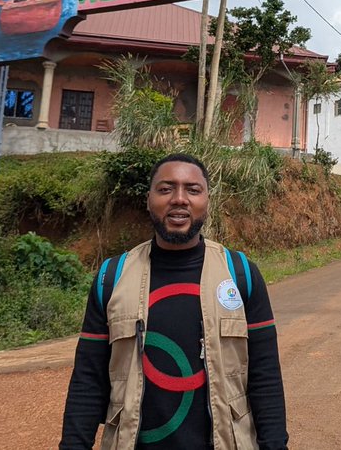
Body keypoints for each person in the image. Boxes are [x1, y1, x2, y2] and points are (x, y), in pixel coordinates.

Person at [60, 153, 288, 449]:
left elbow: (265, 376)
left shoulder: (240, 273)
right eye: (166, 189)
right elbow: (88, 379)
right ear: (148, 200)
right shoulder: (111, 278)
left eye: (193, 190)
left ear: (207, 200)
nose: (179, 199)